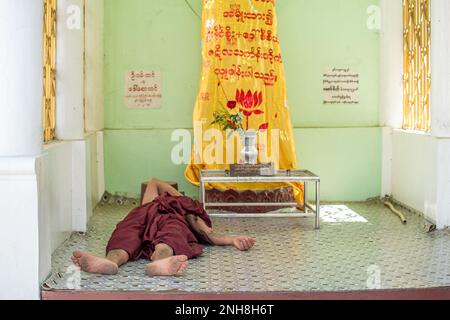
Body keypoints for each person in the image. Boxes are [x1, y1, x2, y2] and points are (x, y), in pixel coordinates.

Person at [72, 178, 256, 276]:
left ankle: (159, 262)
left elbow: (208, 236)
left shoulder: (186, 212)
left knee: (171, 236)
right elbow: (154, 182)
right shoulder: (151, 203)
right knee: (127, 233)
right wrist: (177, 196)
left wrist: (233, 240)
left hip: (172, 220)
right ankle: (110, 262)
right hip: (143, 217)